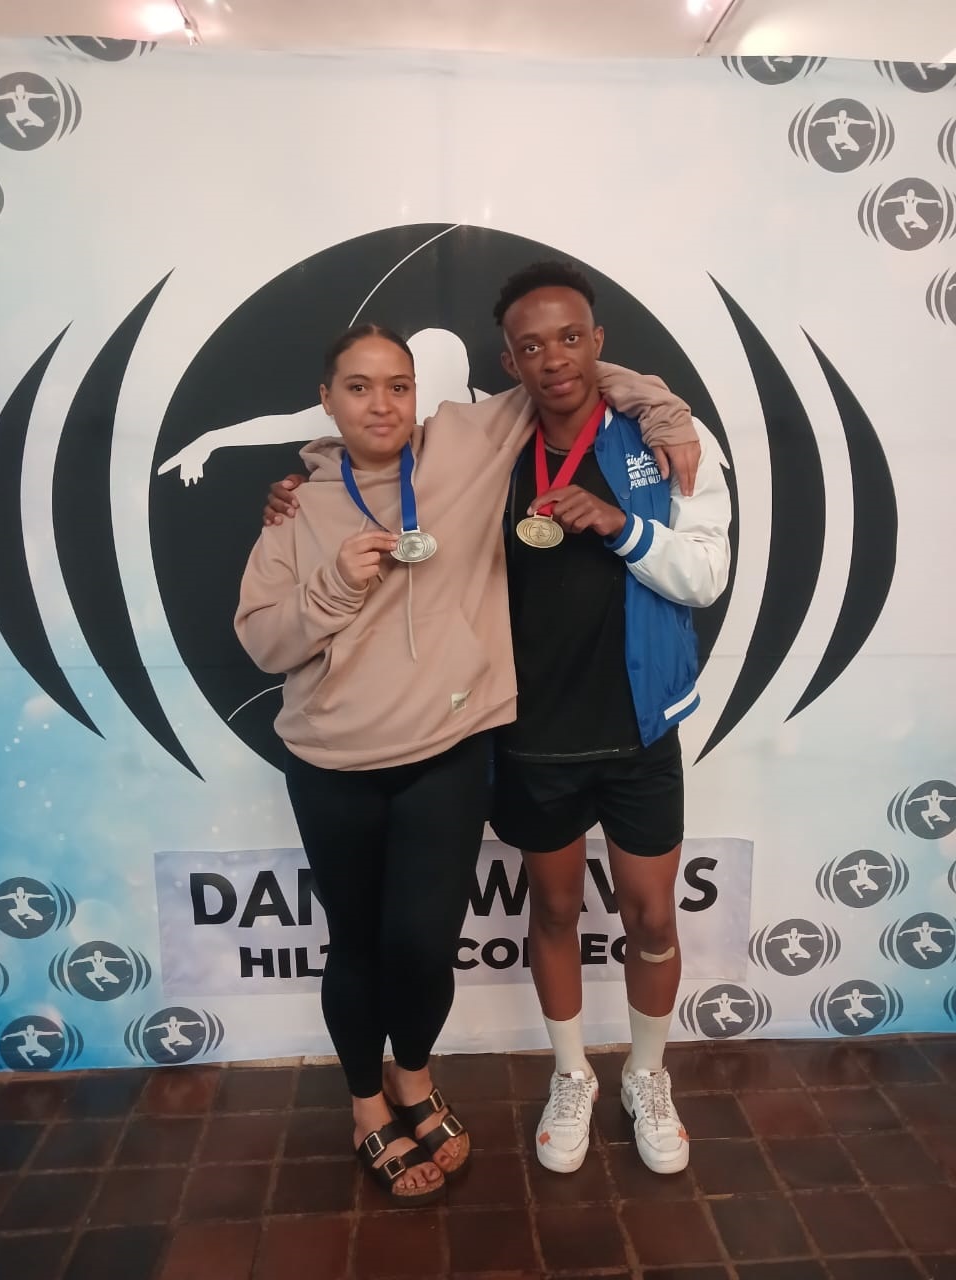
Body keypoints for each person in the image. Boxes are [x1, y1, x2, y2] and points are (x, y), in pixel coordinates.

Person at [262, 264, 726, 1183]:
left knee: (650, 919)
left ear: (598, 341)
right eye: (531, 346)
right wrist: (301, 486)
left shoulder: (658, 440)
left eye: (571, 338)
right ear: (508, 362)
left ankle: (646, 1075)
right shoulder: (480, 448)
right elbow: (357, 475)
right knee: (547, 912)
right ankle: (569, 1077)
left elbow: (705, 576)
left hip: (637, 730)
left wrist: (630, 503)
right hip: (530, 737)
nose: (554, 359)